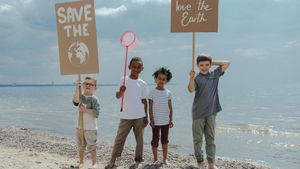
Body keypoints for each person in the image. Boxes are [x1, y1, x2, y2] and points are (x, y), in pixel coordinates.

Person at [105, 57, 149, 169]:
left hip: (139, 116)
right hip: (126, 116)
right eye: (134, 66)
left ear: (142, 69)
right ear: (129, 67)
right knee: (120, 138)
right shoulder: (123, 80)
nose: (136, 69)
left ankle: (138, 160)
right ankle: (112, 160)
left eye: (139, 67)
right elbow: (117, 96)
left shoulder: (143, 83)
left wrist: (146, 116)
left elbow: (144, 101)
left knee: (140, 139)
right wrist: (121, 91)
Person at [188, 55, 230, 169]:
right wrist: (191, 78)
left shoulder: (215, 74)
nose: (204, 67)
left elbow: (227, 63)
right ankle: (200, 161)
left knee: (210, 139)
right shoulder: (197, 78)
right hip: (198, 113)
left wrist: (212, 62)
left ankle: (211, 163)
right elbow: (191, 89)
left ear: (210, 65)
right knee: (198, 139)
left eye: (207, 65)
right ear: (197, 66)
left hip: (211, 112)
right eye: (201, 65)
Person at [73, 76, 100, 169]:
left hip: (91, 127)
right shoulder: (81, 96)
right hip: (80, 126)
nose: (88, 85)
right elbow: (75, 101)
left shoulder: (94, 99)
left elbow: (96, 113)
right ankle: (81, 162)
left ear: (95, 87)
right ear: (83, 85)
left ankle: (94, 163)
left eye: (90, 84)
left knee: (92, 146)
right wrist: (77, 88)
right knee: (81, 145)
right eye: (86, 83)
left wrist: (85, 110)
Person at [148, 67, 173, 165]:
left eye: (164, 79)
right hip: (156, 122)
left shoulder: (168, 93)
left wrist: (171, 119)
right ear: (155, 79)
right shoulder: (152, 93)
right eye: (159, 78)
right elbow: (150, 108)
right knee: (155, 140)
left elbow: (170, 108)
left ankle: (165, 159)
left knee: (165, 140)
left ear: (166, 81)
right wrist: (151, 120)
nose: (161, 81)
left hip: (166, 121)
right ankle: (155, 159)